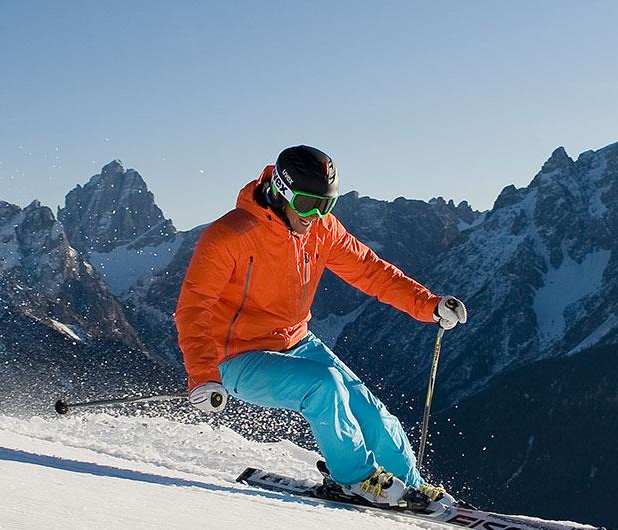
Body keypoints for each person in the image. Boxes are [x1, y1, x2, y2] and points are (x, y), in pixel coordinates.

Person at [175, 145, 470, 510]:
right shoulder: (230, 235)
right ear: (281, 191)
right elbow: (193, 307)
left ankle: (410, 485)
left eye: (325, 205)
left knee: (369, 410)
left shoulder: (322, 230)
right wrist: (203, 374)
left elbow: (370, 270)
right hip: (235, 357)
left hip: (296, 341)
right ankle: (356, 478)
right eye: (306, 204)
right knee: (324, 388)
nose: (314, 215)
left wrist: (429, 305)